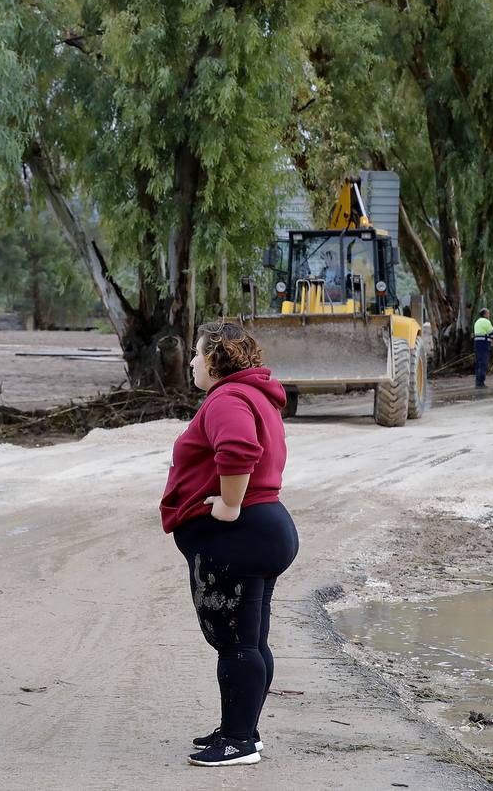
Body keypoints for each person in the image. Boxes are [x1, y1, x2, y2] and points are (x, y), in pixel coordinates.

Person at [161, 322, 298, 767]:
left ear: (217, 359)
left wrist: (229, 506)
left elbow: (239, 449)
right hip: (264, 529)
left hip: (243, 532)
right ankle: (243, 731)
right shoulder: (255, 394)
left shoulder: (227, 398)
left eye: (198, 354)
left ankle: (238, 743)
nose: (193, 361)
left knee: (237, 643)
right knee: (251, 641)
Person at [473, 307, 493, 388]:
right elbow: (492, 333)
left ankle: (477, 382)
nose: (489, 315)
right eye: (488, 313)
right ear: (485, 314)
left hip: (477, 344)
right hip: (484, 344)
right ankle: (481, 383)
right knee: (483, 363)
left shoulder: (477, 322)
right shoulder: (486, 322)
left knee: (478, 363)